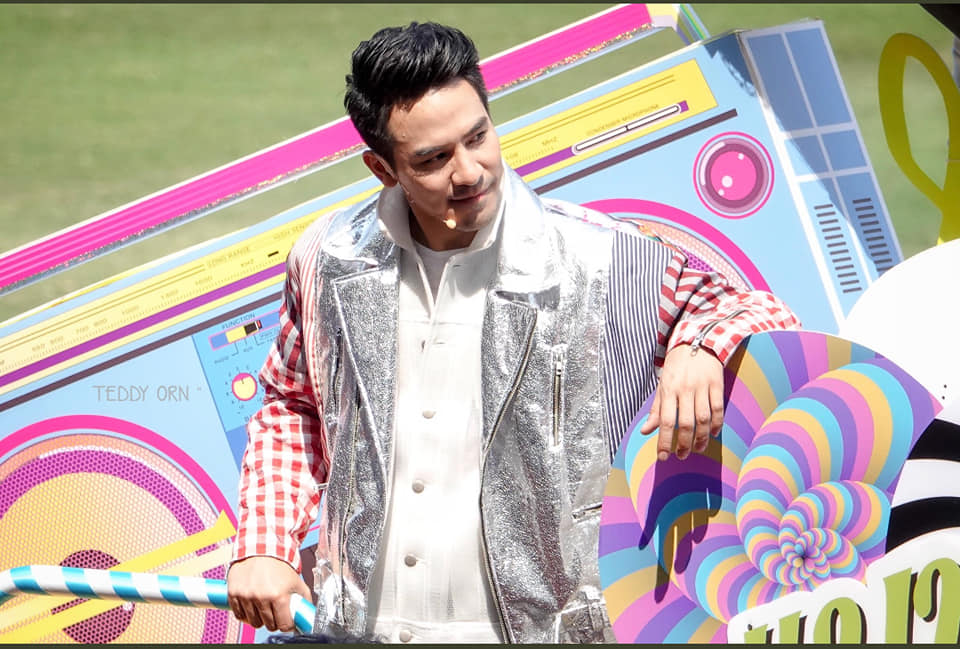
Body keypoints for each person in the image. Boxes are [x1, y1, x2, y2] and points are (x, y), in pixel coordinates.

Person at [226, 21, 800, 643]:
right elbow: (292, 405)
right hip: (359, 630)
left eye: (478, 137)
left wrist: (701, 343)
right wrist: (264, 541)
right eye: (433, 159)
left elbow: (758, 311)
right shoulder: (325, 256)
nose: (469, 172)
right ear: (382, 168)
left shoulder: (605, 257)